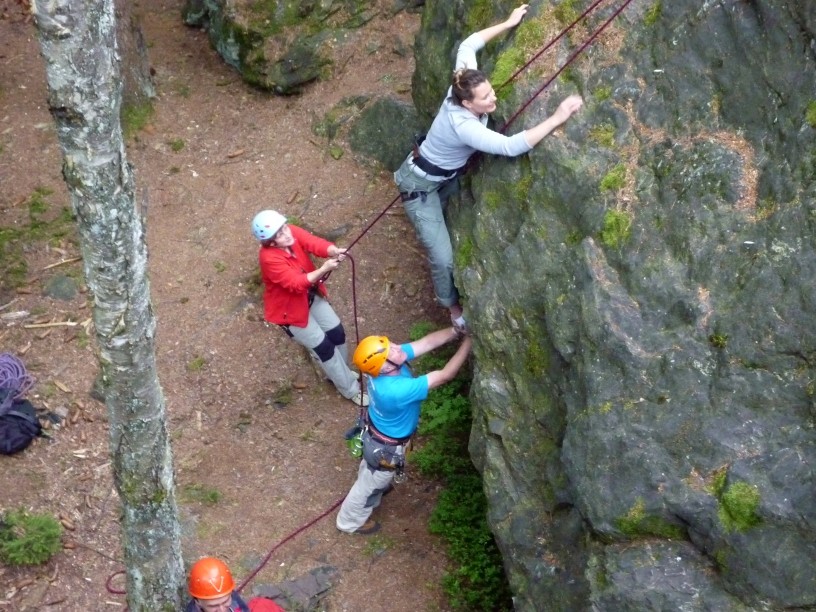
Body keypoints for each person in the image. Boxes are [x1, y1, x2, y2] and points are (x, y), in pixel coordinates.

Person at [394, 4, 583, 330]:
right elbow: (510, 147)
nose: (492, 99)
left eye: (490, 90)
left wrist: (509, 23)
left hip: (441, 175)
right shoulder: (465, 126)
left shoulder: (464, 81)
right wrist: (558, 117)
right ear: (468, 104)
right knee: (444, 258)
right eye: (485, 98)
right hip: (419, 187)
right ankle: (451, 307)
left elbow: (468, 44)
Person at [336, 326, 472, 534]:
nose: (397, 348)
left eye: (391, 345)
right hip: (386, 447)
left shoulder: (384, 364)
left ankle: (376, 482)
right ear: (383, 367)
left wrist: (456, 330)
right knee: (368, 485)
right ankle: (348, 521)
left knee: (372, 474)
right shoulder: (395, 390)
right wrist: (469, 342)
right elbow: (445, 375)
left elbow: (426, 343)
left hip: (378, 435)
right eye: (391, 350)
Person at [252, 210, 368, 407]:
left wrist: (331, 250)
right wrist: (323, 269)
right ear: (271, 242)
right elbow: (295, 283)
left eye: (285, 228)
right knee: (324, 348)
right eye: (280, 234)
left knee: (337, 332)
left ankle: (340, 373)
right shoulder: (269, 259)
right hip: (290, 312)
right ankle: (350, 389)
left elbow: (312, 242)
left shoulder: (290, 233)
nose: (287, 234)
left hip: (309, 298)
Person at [186, 557, 284, 612]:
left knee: (263, 605)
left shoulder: (233, 598)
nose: (222, 610)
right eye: (213, 606)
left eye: (225, 601)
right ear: (198, 602)